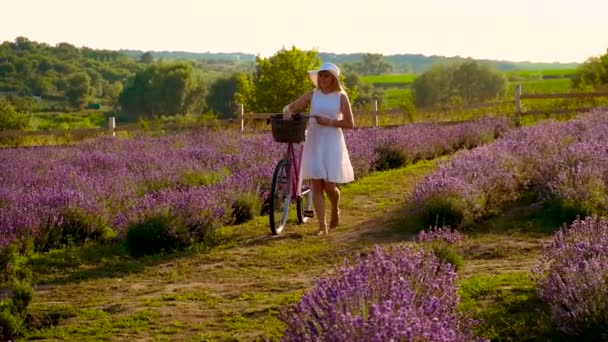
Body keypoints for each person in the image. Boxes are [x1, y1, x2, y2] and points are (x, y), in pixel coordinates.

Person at [282, 62, 355, 235]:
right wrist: (287, 112)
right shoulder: (312, 95)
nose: (322, 79)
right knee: (316, 184)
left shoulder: (341, 97)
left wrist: (329, 122)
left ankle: (335, 209)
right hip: (314, 139)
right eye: (321, 75)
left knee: (330, 186)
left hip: (332, 141)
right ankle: (322, 226)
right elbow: (293, 106)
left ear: (333, 78)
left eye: (326, 76)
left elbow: (350, 123)